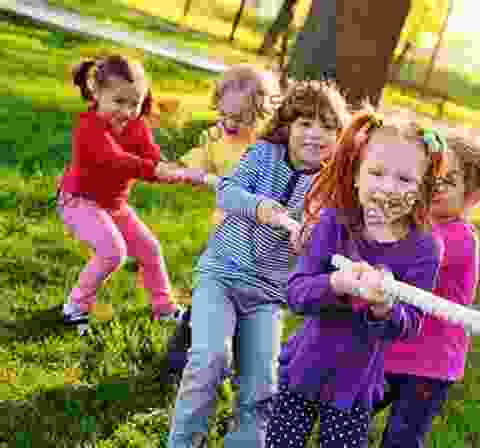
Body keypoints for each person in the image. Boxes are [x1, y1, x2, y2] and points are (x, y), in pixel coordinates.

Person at [166, 80, 349, 448]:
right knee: (209, 359)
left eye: (328, 127)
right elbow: (227, 191)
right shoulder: (264, 154)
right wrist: (258, 207)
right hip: (222, 275)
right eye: (306, 124)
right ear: (288, 126)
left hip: (267, 295)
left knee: (262, 389)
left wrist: (311, 244)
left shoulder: (330, 187)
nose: (316, 135)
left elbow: (325, 243)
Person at [264, 111, 448, 448]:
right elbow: (296, 293)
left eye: (405, 180)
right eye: (377, 173)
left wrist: (384, 307)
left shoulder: (425, 249)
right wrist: (337, 284)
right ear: (356, 177)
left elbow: (409, 325)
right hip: (304, 369)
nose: (388, 188)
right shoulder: (335, 222)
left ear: (423, 188)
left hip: (356, 386)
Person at [373, 129, 480, 448]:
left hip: (429, 364)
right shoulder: (415, 223)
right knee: (349, 411)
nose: (435, 187)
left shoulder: (459, 238)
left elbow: (405, 258)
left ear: (474, 195)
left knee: (401, 438)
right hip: (391, 349)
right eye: (431, 175)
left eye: (448, 181)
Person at [58, 55, 209, 335]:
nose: (127, 111)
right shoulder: (89, 128)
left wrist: (180, 174)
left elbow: (152, 157)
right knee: (112, 252)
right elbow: (117, 161)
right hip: (78, 201)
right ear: (97, 93)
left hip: (113, 204)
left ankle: (164, 309)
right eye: (119, 102)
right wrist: (157, 170)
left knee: (149, 249)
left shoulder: (136, 126)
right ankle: (75, 307)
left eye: (135, 104)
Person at [173, 64, 281, 227]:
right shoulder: (216, 136)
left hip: (262, 226)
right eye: (223, 114)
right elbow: (203, 155)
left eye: (240, 119)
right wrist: (189, 169)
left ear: (264, 115)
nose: (229, 124)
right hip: (224, 223)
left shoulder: (270, 145)